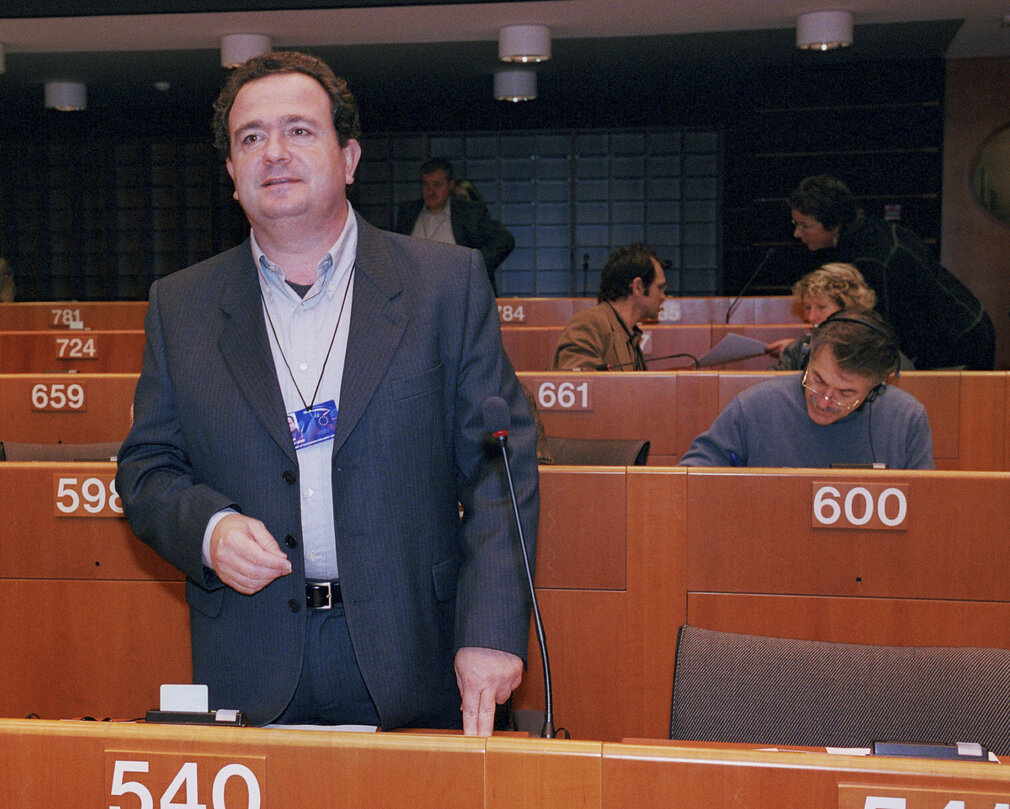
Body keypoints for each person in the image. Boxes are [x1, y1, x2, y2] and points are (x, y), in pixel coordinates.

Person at [115, 51, 539, 735]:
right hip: (251, 654)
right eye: (251, 138)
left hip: (415, 653)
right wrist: (210, 529)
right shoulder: (180, 305)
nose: (274, 153)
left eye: (299, 131)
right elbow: (145, 470)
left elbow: (499, 471)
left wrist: (492, 629)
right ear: (231, 173)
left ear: (349, 157)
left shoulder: (445, 286)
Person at [679, 310, 934, 469]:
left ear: (878, 387)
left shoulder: (907, 419)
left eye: (845, 394)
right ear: (807, 359)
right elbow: (689, 478)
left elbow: (925, 507)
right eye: (818, 380)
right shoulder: (755, 406)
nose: (823, 401)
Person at [788, 174, 995, 370]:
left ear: (833, 225)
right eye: (795, 224)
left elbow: (877, 334)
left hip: (958, 343)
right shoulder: (865, 232)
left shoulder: (873, 259)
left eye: (805, 226)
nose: (797, 233)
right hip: (951, 337)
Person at [395, 158, 515, 294]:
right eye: (426, 185)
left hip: (458, 294)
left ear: (450, 185)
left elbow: (505, 240)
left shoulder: (468, 213)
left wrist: (475, 266)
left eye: (437, 185)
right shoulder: (408, 213)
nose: (431, 192)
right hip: (416, 295)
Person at [768, 262, 913, 371]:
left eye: (822, 307)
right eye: (808, 307)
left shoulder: (882, 352)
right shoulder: (798, 350)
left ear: (849, 307)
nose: (811, 317)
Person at [552, 243, 667, 371]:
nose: (663, 296)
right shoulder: (588, 325)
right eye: (659, 288)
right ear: (638, 286)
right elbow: (580, 387)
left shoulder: (629, 334)